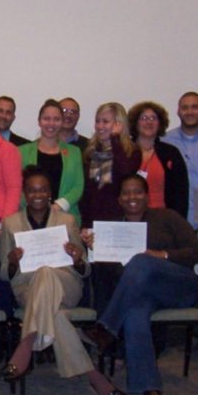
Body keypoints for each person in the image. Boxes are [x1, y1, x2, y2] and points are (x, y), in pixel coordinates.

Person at [0, 166, 130, 395]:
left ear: (50, 193)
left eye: (43, 190)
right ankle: (96, 379)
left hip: (66, 285)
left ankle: (26, 344)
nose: (37, 194)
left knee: (48, 272)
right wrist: (13, 262)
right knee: (54, 313)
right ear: (25, 194)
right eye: (32, 190)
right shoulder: (11, 223)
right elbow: (3, 274)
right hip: (27, 289)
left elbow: (85, 269)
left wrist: (79, 258)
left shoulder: (68, 221)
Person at [82, 174, 198, 395]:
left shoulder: (167, 217)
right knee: (135, 315)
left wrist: (160, 256)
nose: (132, 197)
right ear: (119, 199)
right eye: (126, 193)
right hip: (144, 294)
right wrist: (98, 248)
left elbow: (196, 252)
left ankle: (107, 327)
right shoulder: (115, 228)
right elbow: (118, 277)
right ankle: (149, 388)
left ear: (147, 196)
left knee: (141, 260)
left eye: (137, 192)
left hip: (179, 286)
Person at [78, 102, 140, 312]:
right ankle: (103, 332)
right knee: (100, 282)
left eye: (106, 122)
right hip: (95, 225)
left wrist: (115, 139)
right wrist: (85, 224)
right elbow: (87, 193)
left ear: (119, 124)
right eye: (98, 121)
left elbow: (125, 174)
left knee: (120, 279)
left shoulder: (131, 150)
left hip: (119, 224)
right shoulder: (90, 152)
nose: (100, 126)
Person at [18, 99, 85, 222]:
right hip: (30, 217)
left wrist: (58, 206)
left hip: (66, 217)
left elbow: (78, 186)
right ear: (39, 121)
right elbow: (17, 185)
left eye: (56, 119)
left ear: (61, 122)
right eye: (46, 118)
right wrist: (34, 207)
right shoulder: (22, 152)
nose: (51, 123)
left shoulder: (74, 152)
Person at [161, 92, 198, 228]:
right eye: (185, 108)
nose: (189, 112)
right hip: (177, 216)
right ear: (178, 111)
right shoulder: (166, 141)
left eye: (194, 107)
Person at [127, 101, 189, 218]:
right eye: (144, 118)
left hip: (162, 219)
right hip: (130, 219)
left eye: (153, 118)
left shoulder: (171, 153)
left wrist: (178, 221)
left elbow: (181, 193)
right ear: (135, 123)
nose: (149, 122)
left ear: (160, 123)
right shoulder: (125, 152)